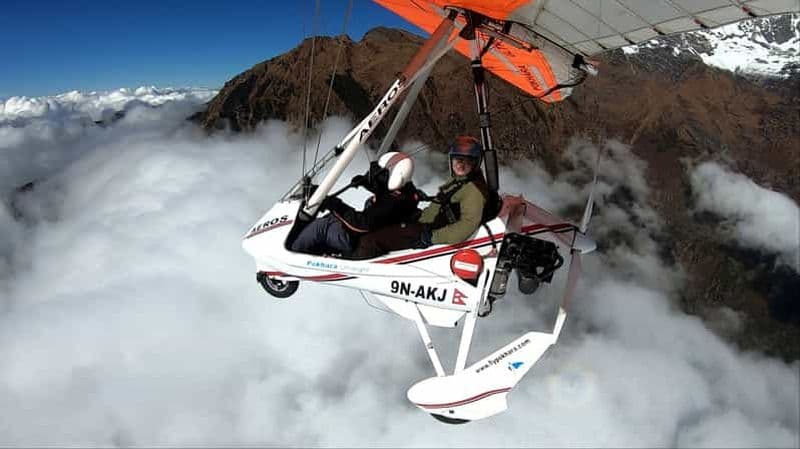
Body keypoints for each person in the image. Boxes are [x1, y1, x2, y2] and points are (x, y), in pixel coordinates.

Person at [351, 136, 489, 259]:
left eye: (467, 161)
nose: (460, 165)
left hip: (427, 231)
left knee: (371, 240)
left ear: (475, 164)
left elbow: (466, 226)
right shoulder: (462, 180)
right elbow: (449, 199)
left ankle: (349, 259)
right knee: (385, 212)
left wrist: (431, 237)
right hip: (424, 220)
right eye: (457, 159)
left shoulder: (473, 191)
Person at [290, 151, 420, 258]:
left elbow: (361, 224)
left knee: (321, 226)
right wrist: (367, 183)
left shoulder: (391, 204)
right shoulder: (406, 191)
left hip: (358, 238)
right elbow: (386, 192)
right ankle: (309, 243)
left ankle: (292, 255)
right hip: (376, 229)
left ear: (395, 178)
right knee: (331, 218)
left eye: (383, 175)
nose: (380, 177)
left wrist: (333, 203)